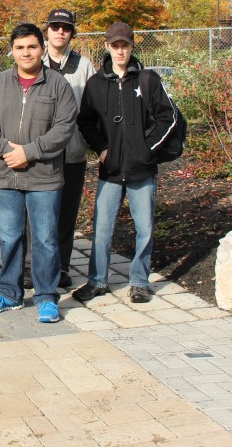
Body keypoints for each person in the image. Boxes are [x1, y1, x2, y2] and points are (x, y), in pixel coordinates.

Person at [0, 23, 76, 324]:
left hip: (44, 177)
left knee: (45, 239)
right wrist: (10, 152)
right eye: (19, 48)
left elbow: (63, 129)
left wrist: (29, 152)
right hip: (5, 175)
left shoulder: (58, 85)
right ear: (12, 51)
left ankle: (46, 297)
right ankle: (9, 293)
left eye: (32, 46)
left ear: (42, 48)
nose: (26, 53)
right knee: (9, 237)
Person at [74, 22, 178, 305]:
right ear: (107, 46)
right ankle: (97, 281)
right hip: (110, 171)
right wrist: (101, 147)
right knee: (101, 229)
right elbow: (85, 121)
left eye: (125, 45)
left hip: (141, 170)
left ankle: (139, 282)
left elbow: (167, 117)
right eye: (115, 45)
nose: (120, 50)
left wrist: (147, 149)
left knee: (144, 228)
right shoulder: (96, 84)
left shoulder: (148, 80)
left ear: (132, 46)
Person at [42, 9, 95, 288]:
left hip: (72, 153)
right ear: (47, 31)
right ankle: (36, 267)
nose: (60, 32)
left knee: (66, 214)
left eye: (66, 28)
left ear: (72, 33)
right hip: (40, 155)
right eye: (55, 27)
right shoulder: (34, 60)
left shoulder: (83, 66)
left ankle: (61, 267)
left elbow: (93, 109)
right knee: (39, 214)